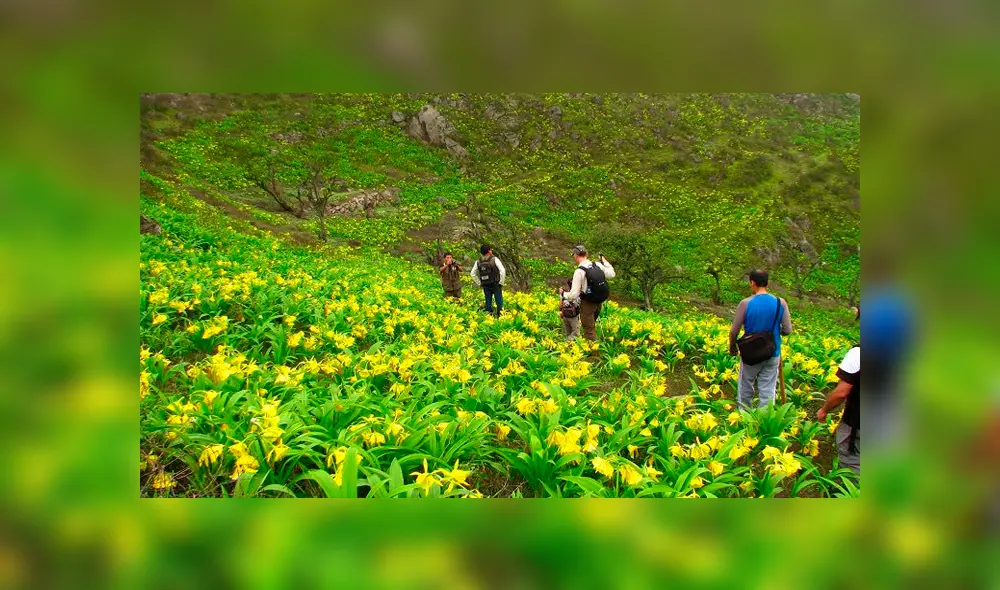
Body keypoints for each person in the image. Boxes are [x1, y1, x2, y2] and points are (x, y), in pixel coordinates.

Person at [728, 269, 793, 410]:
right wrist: (775, 332)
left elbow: (734, 331)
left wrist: (732, 346)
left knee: (746, 386)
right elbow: (788, 330)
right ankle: (764, 418)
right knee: (768, 389)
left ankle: (745, 416)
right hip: (772, 352)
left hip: (751, 352)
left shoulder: (746, 303)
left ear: (752, 283)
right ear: (767, 283)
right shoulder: (780, 303)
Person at [818, 307, 860, 476]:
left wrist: (824, 410)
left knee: (852, 467)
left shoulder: (858, 353)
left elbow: (841, 393)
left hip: (858, 423)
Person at [561, 245, 615, 341]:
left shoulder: (579, 271)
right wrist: (604, 261)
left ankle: (593, 349)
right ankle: (590, 344)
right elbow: (611, 274)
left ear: (576, 256)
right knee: (591, 324)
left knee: (589, 329)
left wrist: (563, 294)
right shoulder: (597, 265)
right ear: (586, 254)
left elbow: (573, 295)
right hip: (599, 301)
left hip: (588, 303)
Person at [470, 244, 505, 317]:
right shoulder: (494, 259)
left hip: (485, 285)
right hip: (496, 284)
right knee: (499, 302)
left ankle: (488, 317)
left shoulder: (478, 261)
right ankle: (500, 317)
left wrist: (479, 283)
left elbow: (472, 273)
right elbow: (502, 270)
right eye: (491, 249)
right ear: (489, 251)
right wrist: (501, 282)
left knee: (488, 302)